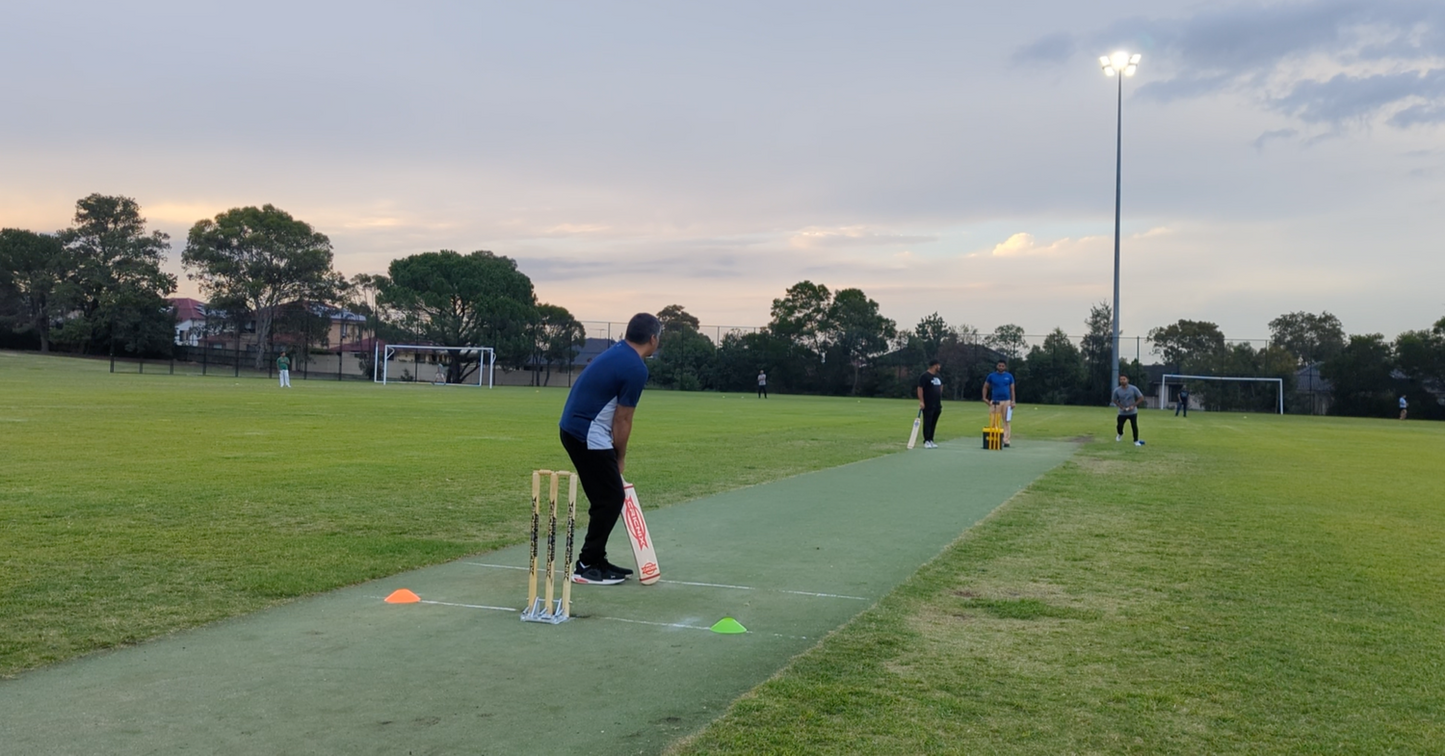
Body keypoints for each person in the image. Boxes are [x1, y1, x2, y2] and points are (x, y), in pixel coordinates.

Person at [559, 313, 661, 585]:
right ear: (653, 339)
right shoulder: (635, 368)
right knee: (611, 498)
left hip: (574, 429)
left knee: (606, 497)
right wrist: (620, 456)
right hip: (587, 433)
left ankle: (594, 559)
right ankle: (587, 565)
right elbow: (623, 418)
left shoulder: (618, 352)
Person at [982, 359, 1016, 448]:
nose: (1001, 367)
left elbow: (1012, 389)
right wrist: (985, 398)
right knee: (994, 420)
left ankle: (1006, 440)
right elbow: (985, 387)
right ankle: (995, 438)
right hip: (995, 401)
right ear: (997, 366)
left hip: (1007, 401)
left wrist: (1013, 401)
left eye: (1002, 366)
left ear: (1005, 367)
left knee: (1006, 421)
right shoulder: (991, 376)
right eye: (999, 365)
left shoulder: (1009, 376)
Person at [916, 360, 943, 448]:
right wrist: (921, 401)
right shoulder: (924, 376)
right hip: (928, 403)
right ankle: (926, 440)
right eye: (938, 365)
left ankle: (931, 439)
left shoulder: (938, 376)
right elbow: (920, 388)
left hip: (937, 404)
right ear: (934, 366)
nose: (940, 367)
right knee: (927, 422)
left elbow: (941, 386)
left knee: (933, 422)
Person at [1113, 374, 1145, 446]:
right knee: (1119, 425)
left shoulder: (1133, 388)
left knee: (1134, 426)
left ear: (1127, 380)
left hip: (1132, 412)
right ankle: (1120, 434)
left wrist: (1133, 406)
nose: (1122, 381)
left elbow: (1141, 398)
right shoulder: (1117, 390)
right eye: (1121, 379)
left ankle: (1136, 440)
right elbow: (1114, 400)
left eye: (1124, 379)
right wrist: (1121, 406)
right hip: (1122, 412)